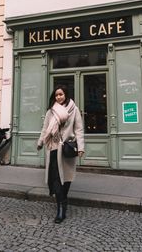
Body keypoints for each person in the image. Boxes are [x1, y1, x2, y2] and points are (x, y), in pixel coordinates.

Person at [37, 85, 84, 223]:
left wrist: (80, 147)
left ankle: (63, 202)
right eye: (56, 95)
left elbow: (79, 129)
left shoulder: (74, 110)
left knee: (67, 179)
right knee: (56, 180)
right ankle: (60, 210)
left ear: (66, 95)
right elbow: (45, 128)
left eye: (61, 94)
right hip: (53, 148)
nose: (59, 97)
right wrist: (40, 142)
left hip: (67, 149)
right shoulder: (51, 111)